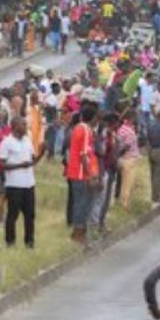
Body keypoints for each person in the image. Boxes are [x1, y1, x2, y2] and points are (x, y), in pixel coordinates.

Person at [0, 116, 44, 249]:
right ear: (14, 126)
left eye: (25, 124)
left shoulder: (27, 141)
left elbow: (32, 161)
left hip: (29, 184)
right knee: (13, 215)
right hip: (14, 185)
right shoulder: (7, 142)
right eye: (23, 125)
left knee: (30, 215)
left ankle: (29, 242)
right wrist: (19, 165)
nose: (25, 127)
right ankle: (10, 242)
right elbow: (1, 164)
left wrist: (41, 153)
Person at [65, 104, 100, 243]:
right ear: (92, 117)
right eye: (97, 117)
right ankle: (78, 234)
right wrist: (90, 175)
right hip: (81, 174)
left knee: (82, 203)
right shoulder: (85, 130)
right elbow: (84, 155)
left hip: (78, 173)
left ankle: (80, 232)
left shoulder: (81, 128)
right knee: (82, 204)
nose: (98, 120)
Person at [117, 111, 141, 208]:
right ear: (132, 119)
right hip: (129, 158)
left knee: (125, 182)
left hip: (125, 158)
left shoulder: (122, 128)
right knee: (128, 183)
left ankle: (122, 200)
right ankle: (124, 203)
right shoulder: (129, 131)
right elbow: (126, 145)